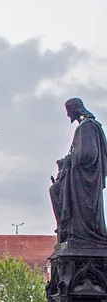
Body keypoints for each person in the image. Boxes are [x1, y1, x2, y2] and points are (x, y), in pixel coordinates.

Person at [50, 97, 107, 244]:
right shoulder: (85, 126)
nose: (68, 115)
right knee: (55, 190)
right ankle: (66, 228)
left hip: (84, 179)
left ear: (75, 109)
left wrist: (68, 160)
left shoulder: (87, 126)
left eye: (68, 111)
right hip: (79, 176)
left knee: (56, 190)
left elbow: (87, 154)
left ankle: (74, 231)